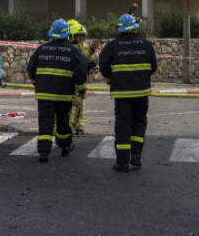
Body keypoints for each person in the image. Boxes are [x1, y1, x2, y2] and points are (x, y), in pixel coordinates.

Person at [99, 13, 157, 172]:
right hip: (141, 92)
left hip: (122, 94)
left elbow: (103, 66)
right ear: (135, 29)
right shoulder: (146, 44)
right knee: (139, 123)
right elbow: (153, 66)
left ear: (121, 30)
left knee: (123, 126)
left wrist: (111, 80)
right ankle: (136, 156)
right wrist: (141, 77)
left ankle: (122, 163)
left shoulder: (112, 46)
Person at [26, 18, 87, 163]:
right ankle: (65, 146)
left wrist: (36, 83)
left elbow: (30, 68)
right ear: (67, 34)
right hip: (64, 93)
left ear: (52, 33)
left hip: (44, 92)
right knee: (62, 119)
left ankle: (44, 152)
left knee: (45, 120)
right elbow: (81, 72)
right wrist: (81, 89)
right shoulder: (73, 50)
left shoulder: (42, 49)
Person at [66, 19, 100, 136]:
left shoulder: (82, 46)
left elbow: (85, 58)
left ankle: (79, 127)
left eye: (82, 36)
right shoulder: (69, 48)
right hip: (70, 82)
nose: (81, 38)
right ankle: (68, 128)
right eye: (78, 36)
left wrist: (91, 55)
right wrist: (90, 50)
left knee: (81, 105)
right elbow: (81, 58)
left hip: (80, 81)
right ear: (70, 36)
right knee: (72, 106)